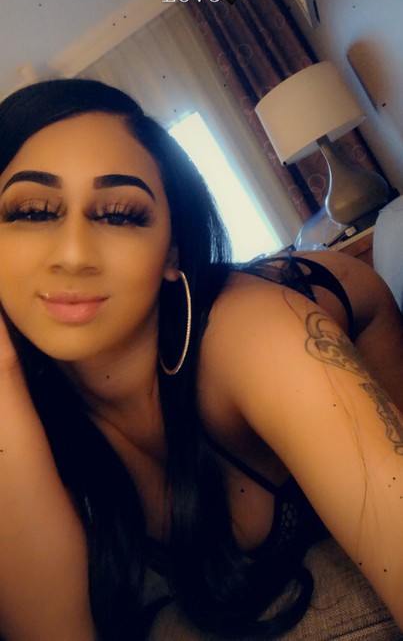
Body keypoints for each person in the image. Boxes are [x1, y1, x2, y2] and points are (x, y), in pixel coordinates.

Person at [0, 77, 401, 641]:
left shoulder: (255, 336)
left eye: (120, 214)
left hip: (350, 309)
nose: (73, 255)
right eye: (34, 211)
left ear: (172, 251)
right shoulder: (26, 403)